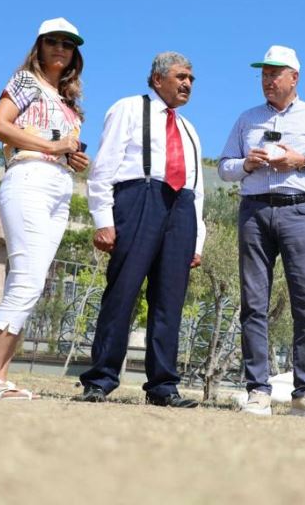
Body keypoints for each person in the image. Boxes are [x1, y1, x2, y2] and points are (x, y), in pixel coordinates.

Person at [218, 45, 305, 417]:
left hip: (300, 210)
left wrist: (301, 160)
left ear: (295, 77)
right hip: (254, 211)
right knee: (253, 303)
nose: (268, 80)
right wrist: (246, 162)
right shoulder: (246, 119)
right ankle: (258, 390)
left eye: (275, 74)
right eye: (263, 74)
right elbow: (224, 166)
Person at [77, 52, 205, 408]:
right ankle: (100, 379)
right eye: (181, 77)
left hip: (181, 208)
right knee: (123, 292)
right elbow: (104, 166)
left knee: (169, 301)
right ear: (157, 79)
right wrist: (103, 219)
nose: (187, 84)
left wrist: (198, 239)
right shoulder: (129, 108)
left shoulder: (189, 128)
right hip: (139, 197)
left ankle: (163, 386)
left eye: (192, 79)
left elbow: (197, 186)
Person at [0, 17, 90, 399]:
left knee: (33, 281)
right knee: (25, 277)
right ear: (39, 46)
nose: (61, 48)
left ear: (75, 54)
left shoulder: (70, 104)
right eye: (52, 41)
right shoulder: (25, 81)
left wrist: (71, 158)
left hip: (58, 185)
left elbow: (61, 146)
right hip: (28, 177)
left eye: (68, 44)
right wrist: (51, 148)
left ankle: (0, 378)